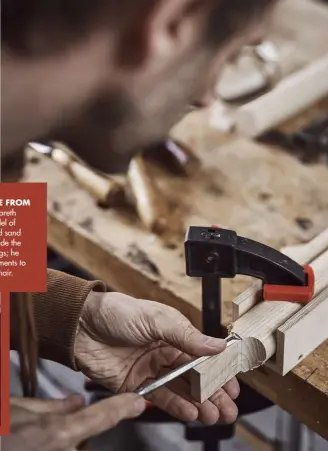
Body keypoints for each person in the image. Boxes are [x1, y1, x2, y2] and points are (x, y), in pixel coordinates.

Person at [2, 1, 278, 449]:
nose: (206, 97)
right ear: (171, 22)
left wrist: (72, 316)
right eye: (226, 56)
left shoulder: (10, 155)